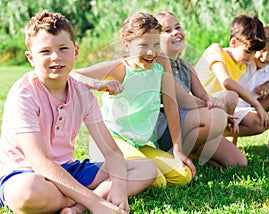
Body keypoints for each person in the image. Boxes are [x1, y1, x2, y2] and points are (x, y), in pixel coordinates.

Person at [0, 10, 158, 214]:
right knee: (26, 193)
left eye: (63, 48)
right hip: (26, 173)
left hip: (69, 168)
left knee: (146, 169)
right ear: (31, 58)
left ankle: (77, 206)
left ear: (75, 52)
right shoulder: (24, 94)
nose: (55, 57)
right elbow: (40, 163)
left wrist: (119, 187)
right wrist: (97, 203)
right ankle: (87, 198)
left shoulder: (82, 94)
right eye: (45, 51)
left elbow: (111, 151)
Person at [71, 12, 195, 187]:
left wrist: (178, 150)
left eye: (156, 44)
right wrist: (98, 84)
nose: (151, 52)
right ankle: (104, 166)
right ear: (127, 45)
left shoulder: (161, 63)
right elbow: (73, 75)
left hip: (140, 143)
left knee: (183, 176)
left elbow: (170, 105)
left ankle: (130, 164)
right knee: (158, 181)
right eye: (143, 45)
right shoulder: (120, 69)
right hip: (113, 140)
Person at [154, 11, 247, 167]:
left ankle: (195, 151)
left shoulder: (186, 66)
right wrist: (220, 115)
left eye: (178, 27)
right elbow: (185, 100)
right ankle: (172, 155)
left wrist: (218, 111)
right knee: (215, 117)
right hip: (167, 130)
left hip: (189, 125)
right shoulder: (158, 66)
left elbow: (205, 97)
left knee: (239, 162)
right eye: (167, 31)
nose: (176, 32)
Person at [195, 15, 269, 145]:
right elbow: (227, 82)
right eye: (249, 52)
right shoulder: (215, 52)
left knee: (260, 122)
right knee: (231, 96)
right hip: (199, 109)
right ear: (233, 43)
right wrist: (257, 105)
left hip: (219, 111)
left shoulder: (242, 61)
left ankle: (222, 139)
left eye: (255, 52)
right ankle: (206, 138)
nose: (252, 57)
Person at [236, 26, 269, 151]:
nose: (266, 57)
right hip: (234, 107)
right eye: (263, 50)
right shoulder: (245, 61)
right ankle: (229, 138)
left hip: (253, 107)